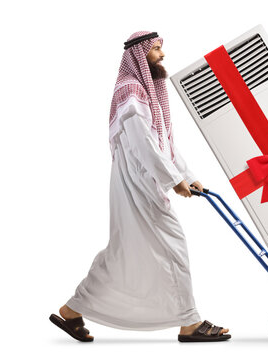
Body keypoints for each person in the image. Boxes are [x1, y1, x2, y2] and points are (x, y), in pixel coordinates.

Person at [49, 31, 231, 343]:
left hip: (145, 179)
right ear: (140, 54)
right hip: (136, 182)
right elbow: (143, 144)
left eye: (162, 48)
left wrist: (187, 173)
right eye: (157, 49)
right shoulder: (131, 89)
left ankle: (72, 309)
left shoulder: (149, 89)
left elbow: (165, 139)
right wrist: (174, 181)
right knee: (173, 246)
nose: (162, 55)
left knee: (121, 251)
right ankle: (190, 323)